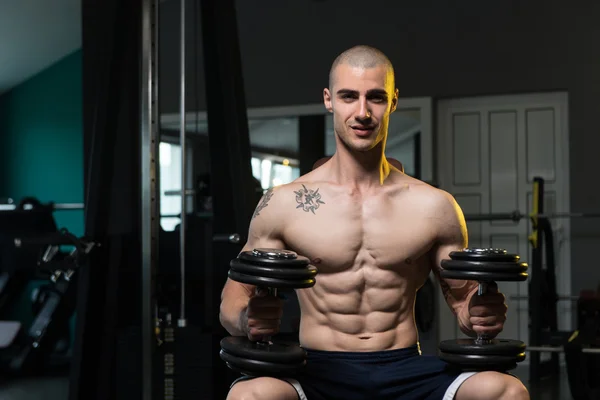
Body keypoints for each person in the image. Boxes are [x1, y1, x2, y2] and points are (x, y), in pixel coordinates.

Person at [219, 45, 530, 400]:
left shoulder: (434, 206)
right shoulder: (285, 202)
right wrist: (247, 321)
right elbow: (232, 300)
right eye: (349, 96)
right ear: (328, 100)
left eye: (376, 98)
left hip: (405, 369)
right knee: (250, 395)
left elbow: (462, 299)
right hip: (317, 369)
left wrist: (479, 313)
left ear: (394, 101)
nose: (363, 112)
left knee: (505, 391)